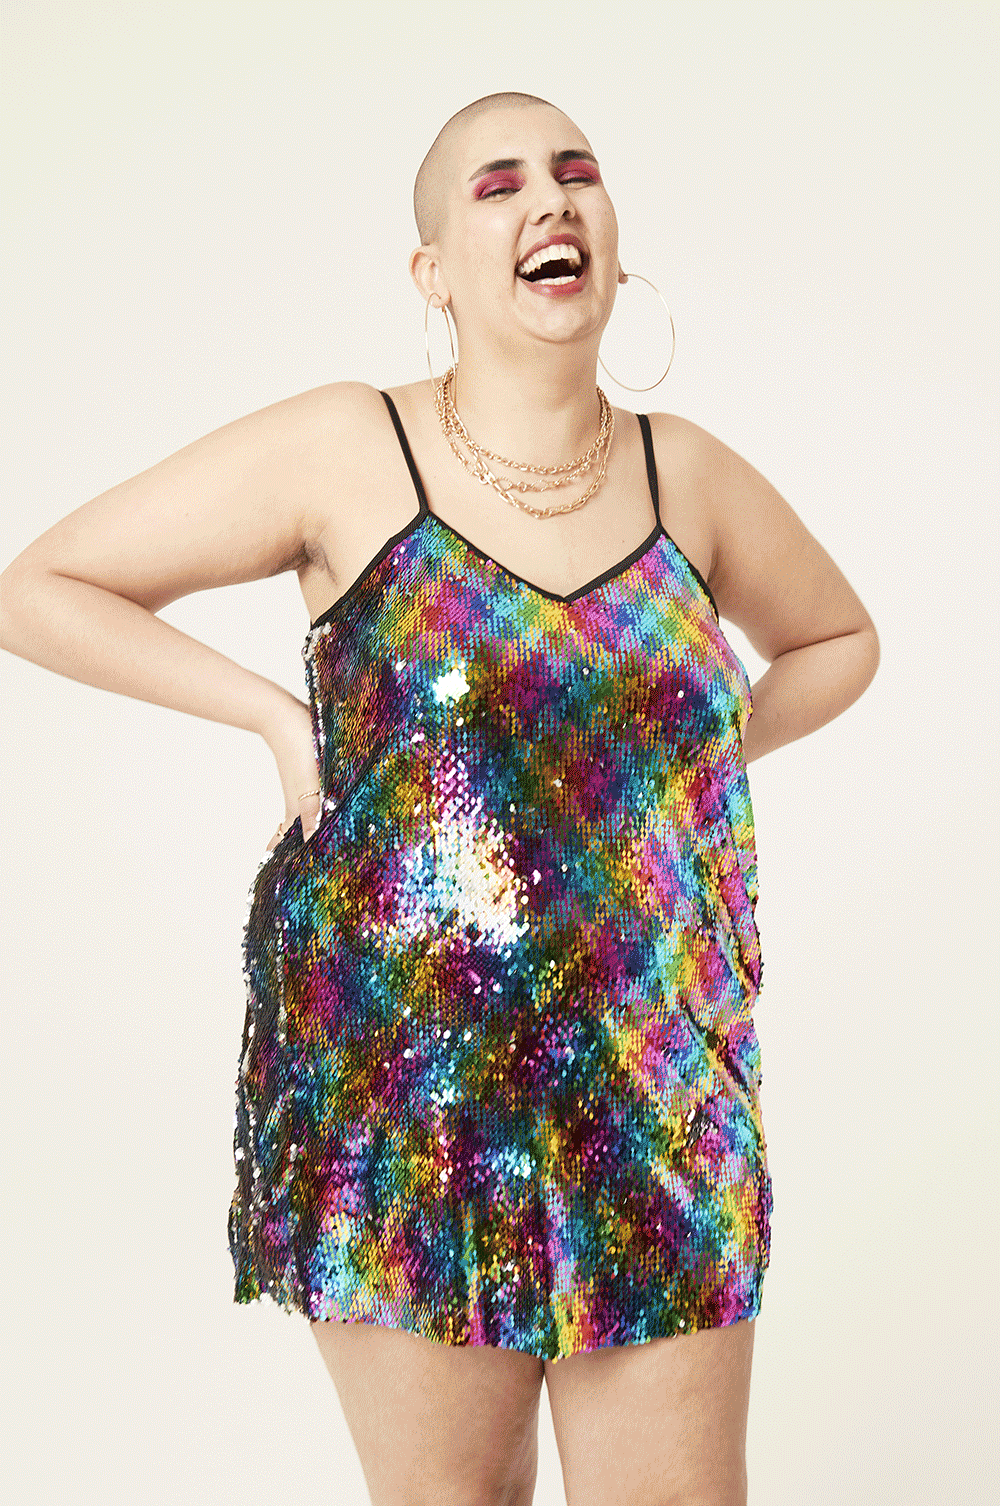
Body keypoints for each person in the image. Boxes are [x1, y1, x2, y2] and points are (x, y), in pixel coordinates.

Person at [1, 91, 879, 1506]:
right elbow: (41, 587)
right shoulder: (346, 447)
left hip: (658, 1079)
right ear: (433, 271)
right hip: (410, 1088)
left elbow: (839, 639)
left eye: (577, 172)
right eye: (499, 183)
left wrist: (690, 765)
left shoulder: (690, 475)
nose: (552, 199)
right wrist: (278, 718)